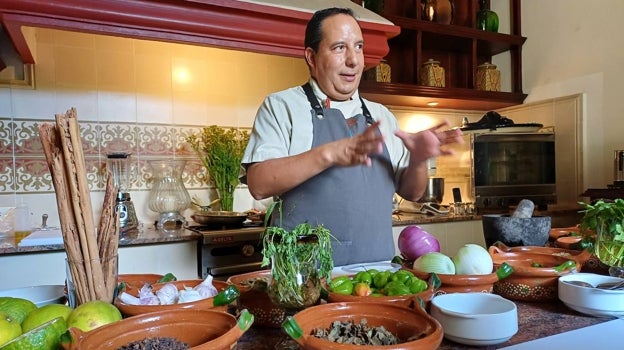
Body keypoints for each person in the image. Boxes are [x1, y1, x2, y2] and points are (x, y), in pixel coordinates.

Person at [240, 7, 463, 266]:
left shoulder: (382, 116)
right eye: (339, 48)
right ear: (311, 57)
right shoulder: (282, 106)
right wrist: (330, 153)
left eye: (358, 47)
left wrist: (418, 159)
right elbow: (259, 183)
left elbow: (412, 192)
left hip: (377, 277)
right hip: (304, 281)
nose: (354, 61)